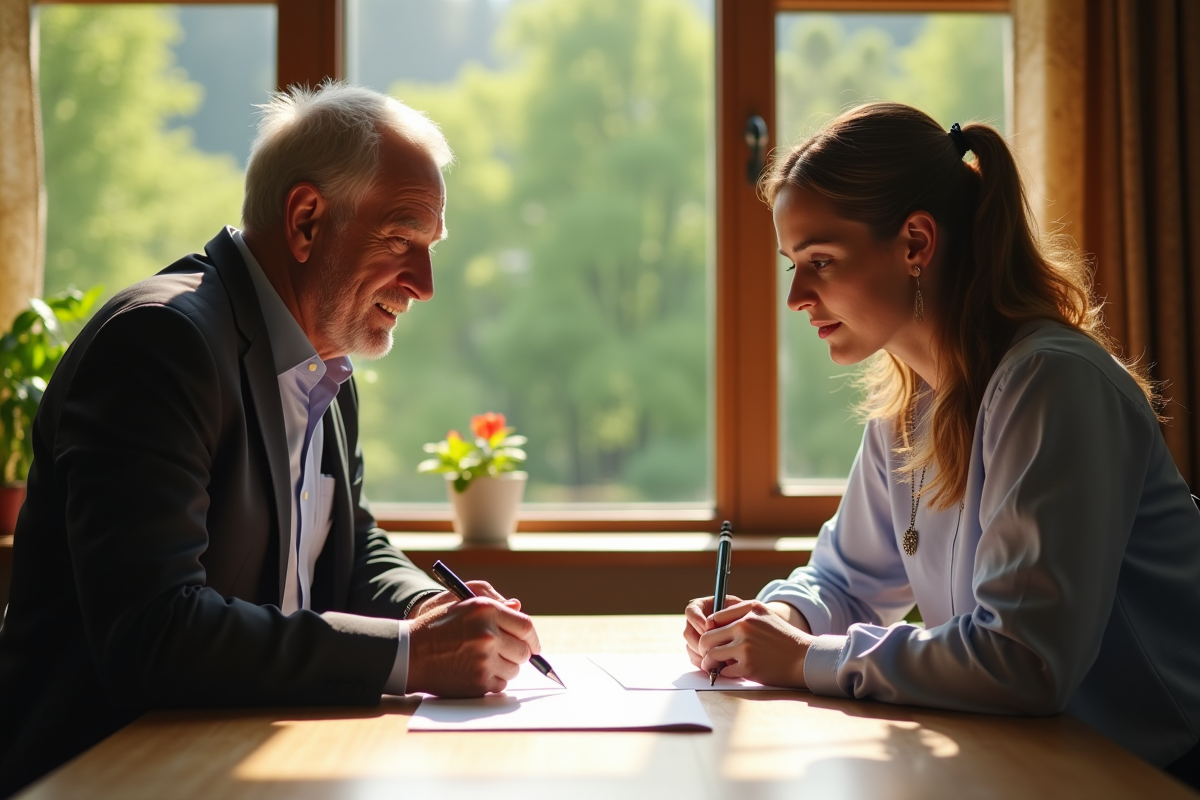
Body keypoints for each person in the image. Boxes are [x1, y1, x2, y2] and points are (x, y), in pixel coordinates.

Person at [0, 82, 543, 797]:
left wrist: (423, 608)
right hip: (113, 775)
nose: (425, 283)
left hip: (244, 760)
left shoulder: (327, 369)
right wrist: (415, 653)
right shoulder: (161, 343)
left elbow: (350, 545)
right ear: (307, 220)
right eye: (402, 238)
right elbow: (153, 633)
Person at [684, 102, 1200, 788]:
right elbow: (847, 580)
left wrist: (805, 658)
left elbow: (1024, 661)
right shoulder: (911, 402)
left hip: (1156, 773)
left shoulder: (1052, 383)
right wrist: (776, 618)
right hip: (1040, 764)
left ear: (916, 243)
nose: (797, 296)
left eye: (822, 260)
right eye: (792, 266)